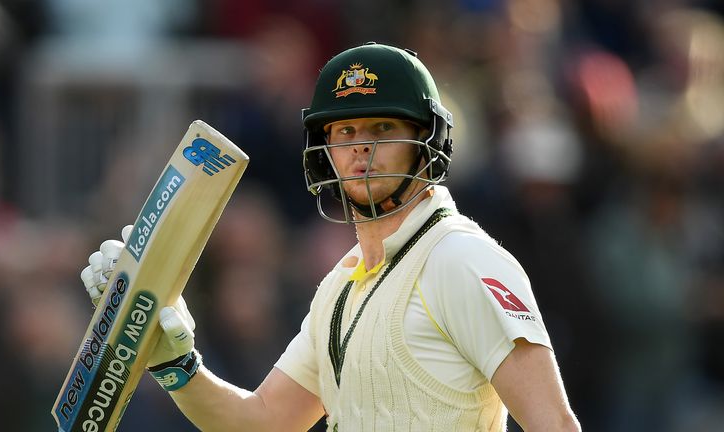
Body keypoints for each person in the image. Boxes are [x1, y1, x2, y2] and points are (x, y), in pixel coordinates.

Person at [82, 42, 580, 431]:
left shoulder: (463, 259)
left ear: (428, 142)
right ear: (325, 151)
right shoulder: (340, 290)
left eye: (382, 127)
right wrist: (175, 362)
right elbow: (261, 424)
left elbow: (555, 425)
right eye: (344, 132)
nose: (361, 149)